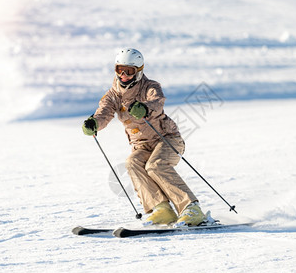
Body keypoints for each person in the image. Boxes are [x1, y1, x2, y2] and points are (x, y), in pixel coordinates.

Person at [82, 48, 206, 226]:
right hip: (141, 145)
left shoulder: (150, 86)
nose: (123, 75)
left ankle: (192, 209)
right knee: (132, 163)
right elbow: (104, 113)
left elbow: (157, 103)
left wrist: (145, 108)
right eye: (119, 70)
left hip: (167, 139)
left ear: (139, 71)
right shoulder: (113, 95)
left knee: (156, 166)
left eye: (129, 71)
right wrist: (94, 123)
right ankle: (162, 209)